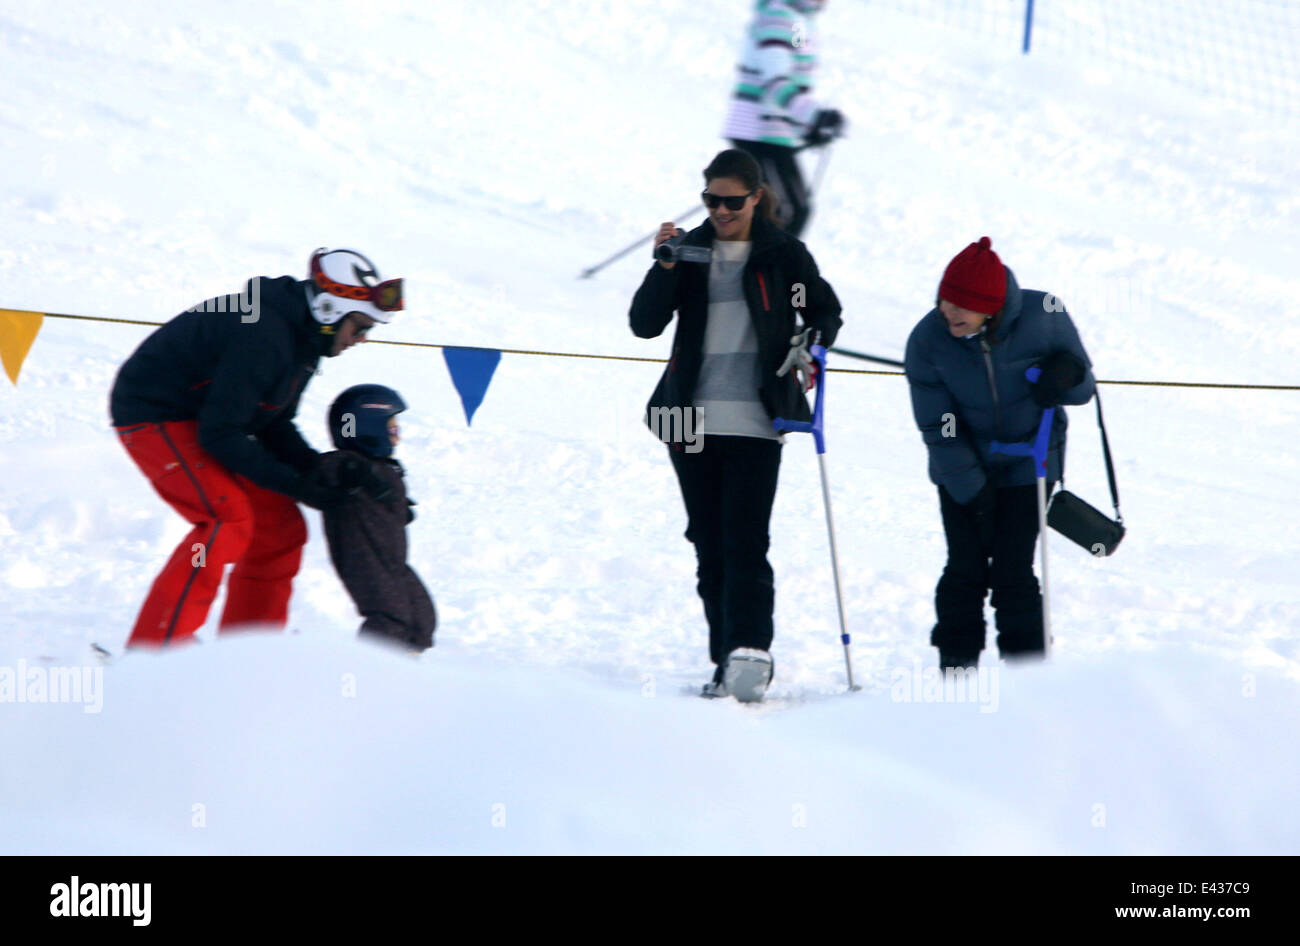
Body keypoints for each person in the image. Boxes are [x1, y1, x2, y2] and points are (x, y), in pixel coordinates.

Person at [109, 248, 404, 647]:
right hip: (156, 416)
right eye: (360, 327)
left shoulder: (301, 339)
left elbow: (272, 423)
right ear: (330, 310)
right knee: (225, 519)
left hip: (205, 420)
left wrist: (317, 471)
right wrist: (297, 485)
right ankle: (155, 651)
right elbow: (221, 434)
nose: (361, 340)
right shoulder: (264, 335)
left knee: (279, 533)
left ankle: (247, 657)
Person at [630, 148, 842, 702]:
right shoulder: (689, 250)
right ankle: (726, 660)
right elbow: (644, 325)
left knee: (746, 540)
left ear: (755, 198)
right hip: (687, 418)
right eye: (711, 200)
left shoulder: (784, 254)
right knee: (708, 544)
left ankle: (750, 648)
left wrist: (810, 347)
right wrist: (665, 266)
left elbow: (823, 310)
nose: (721, 210)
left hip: (755, 417)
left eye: (732, 200)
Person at [904, 237, 1096, 669]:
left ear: (990, 308)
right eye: (944, 301)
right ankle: (958, 667)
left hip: (1030, 465)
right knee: (966, 567)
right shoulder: (928, 341)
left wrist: (1067, 373)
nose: (948, 313)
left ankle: (1027, 675)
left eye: (961, 306)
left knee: (1013, 571)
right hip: (961, 470)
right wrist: (973, 488)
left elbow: (1084, 389)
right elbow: (939, 426)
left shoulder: (1045, 314)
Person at [315, 384, 436, 653]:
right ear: (367, 427)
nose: (397, 438)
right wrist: (350, 470)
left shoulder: (382, 468)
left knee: (421, 618)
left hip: (392, 560)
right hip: (363, 560)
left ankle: (403, 674)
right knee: (390, 618)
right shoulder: (346, 465)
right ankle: (368, 679)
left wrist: (398, 506)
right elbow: (327, 469)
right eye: (391, 429)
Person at [722, 0, 844, 239]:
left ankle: (764, 273)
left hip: (773, 132)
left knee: (790, 212)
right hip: (757, 132)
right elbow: (775, 84)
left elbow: (793, 77)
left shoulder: (797, 23)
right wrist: (815, 117)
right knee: (784, 212)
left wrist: (807, 126)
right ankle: (757, 274)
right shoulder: (777, 19)